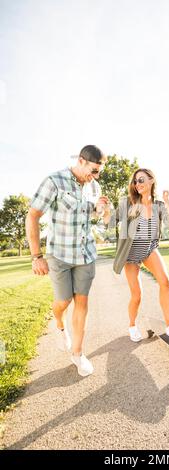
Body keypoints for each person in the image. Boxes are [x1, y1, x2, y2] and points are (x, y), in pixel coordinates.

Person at [25, 145, 110, 376]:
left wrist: (100, 209)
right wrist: (36, 257)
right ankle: (59, 323)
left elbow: (91, 215)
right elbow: (32, 215)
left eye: (98, 172)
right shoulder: (54, 181)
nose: (95, 176)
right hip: (60, 255)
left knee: (81, 303)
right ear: (81, 161)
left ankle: (78, 353)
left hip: (85, 255)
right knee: (63, 301)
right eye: (93, 170)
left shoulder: (94, 186)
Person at [113, 168, 169, 343]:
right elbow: (110, 220)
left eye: (142, 180)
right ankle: (132, 325)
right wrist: (103, 210)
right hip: (131, 255)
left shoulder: (158, 205)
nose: (138, 184)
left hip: (149, 249)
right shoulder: (129, 203)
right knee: (137, 295)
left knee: (165, 282)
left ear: (152, 181)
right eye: (135, 181)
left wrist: (167, 201)